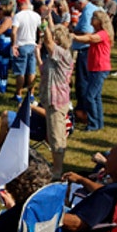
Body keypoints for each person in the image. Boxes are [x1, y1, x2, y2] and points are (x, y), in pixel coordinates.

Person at [38, 14, 73, 178]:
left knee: (57, 136)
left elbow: (49, 42)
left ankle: (58, 170)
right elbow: (44, 71)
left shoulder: (64, 54)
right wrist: (37, 54)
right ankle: (56, 166)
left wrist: (44, 27)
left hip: (58, 100)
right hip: (50, 99)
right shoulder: (53, 56)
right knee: (52, 135)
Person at [70, 10, 113, 131]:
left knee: (90, 96)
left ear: (100, 21)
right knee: (96, 97)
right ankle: (98, 123)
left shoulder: (103, 34)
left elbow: (90, 38)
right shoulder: (99, 32)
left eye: (94, 17)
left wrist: (74, 37)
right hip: (95, 67)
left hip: (100, 68)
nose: (91, 19)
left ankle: (93, 124)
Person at [70, 0, 98, 116]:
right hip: (87, 50)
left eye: (76, 6)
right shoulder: (92, 9)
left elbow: (87, 32)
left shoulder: (87, 12)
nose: (76, 10)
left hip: (85, 50)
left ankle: (82, 109)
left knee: (82, 81)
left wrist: (74, 33)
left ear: (80, 3)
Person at [10, 0, 41, 102]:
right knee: (32, 71)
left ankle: (18, 94)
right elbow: (41, 30)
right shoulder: (36, 16)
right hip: (32, 44)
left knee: (20, 72)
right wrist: (39, 42)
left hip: (21, 44)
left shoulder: (18, 16)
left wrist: (13, 45)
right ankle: (31, 93)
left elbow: (14, 32)